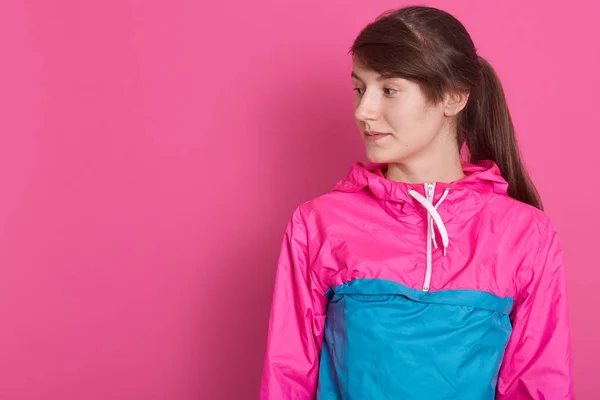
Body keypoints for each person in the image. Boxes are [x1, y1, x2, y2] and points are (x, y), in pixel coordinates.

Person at [259, 5, 574, 399]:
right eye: (360, 89)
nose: (363, 111)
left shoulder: (526, 233)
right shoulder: (317, 223)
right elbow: (287, 378)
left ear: (453, 97)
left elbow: (539, 383)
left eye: (389, 90)